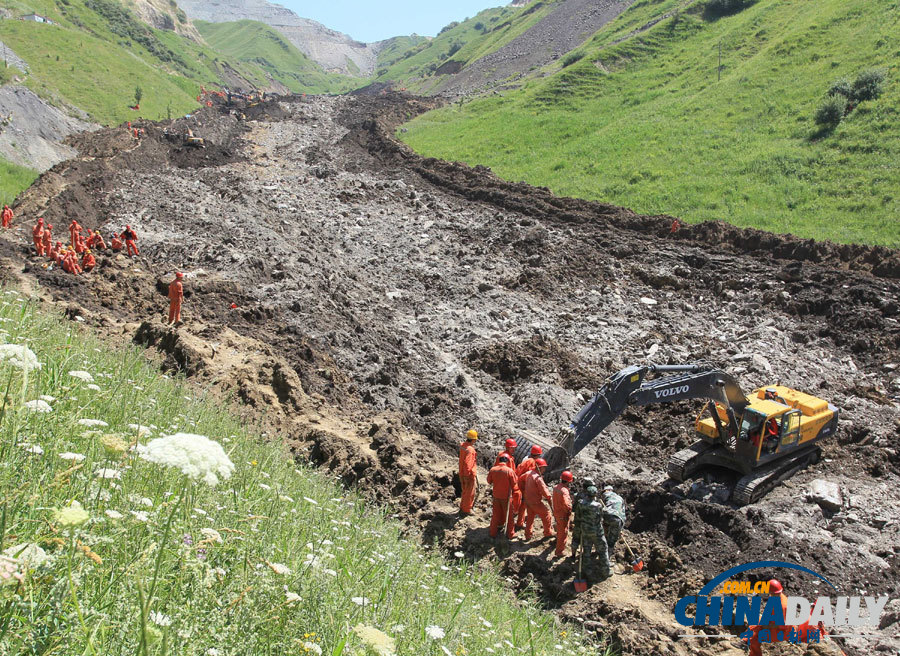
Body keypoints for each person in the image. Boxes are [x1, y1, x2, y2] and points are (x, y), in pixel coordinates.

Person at [572, 485, 610, 579]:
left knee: (586, 552)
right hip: (597, 532)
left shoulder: (581, 503)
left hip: (585, 531)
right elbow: (601, 517)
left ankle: (588, 573)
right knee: (603, 550)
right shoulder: (598, 506)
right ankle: (605, 571)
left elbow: (578, 517)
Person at [520, 459, 553, 541]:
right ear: (540, 468)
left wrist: (523, 490)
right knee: (547, 514)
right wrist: (551, 502)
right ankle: (548, 532)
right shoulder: (538, 479)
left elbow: (520, 479)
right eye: (544, 468)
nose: (545, 470)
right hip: (535, 502)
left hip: (528, 501)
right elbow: (546, 493)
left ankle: (528, 535)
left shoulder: (529, 473)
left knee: (530, 517)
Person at [486, 454, 518, 539]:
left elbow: (489, 481)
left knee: (495, 515)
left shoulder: (493, 469)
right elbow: (514, 484)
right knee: (509, 516)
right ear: (507, 461)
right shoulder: (509, 471)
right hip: (506, 498)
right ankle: (510, 534)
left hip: (496, 496)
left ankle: (492, 533)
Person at [514, 445, 543, 529]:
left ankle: (517, 519)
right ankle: (520, 523)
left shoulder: (526, 459)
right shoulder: (532, 462)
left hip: (518, 483)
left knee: (519, 503)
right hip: (523, 486)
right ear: (538, 455)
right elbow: (529, 476)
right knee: (523, 505)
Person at [552, 471, 574, 558]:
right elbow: (566, 504)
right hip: (562, 514)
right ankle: (559, 551)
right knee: (563, 533)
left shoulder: (555, 487)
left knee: (559, 527)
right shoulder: (564, 491)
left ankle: (557, 539)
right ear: (568, 481)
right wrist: (569, 511)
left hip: (556, 512)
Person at [601, 485, 626, 555]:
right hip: (617, 518)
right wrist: (620, 529)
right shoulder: (620, 498)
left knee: (605, 531)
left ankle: (603, 548)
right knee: (612, 540)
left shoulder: (605, 495)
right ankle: (607, 557)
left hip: (606, 515)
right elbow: (623, 514)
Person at [458, 429, 478, 515]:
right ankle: (466, 510)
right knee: (469, 493)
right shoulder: (470, 450)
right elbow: (468, 463)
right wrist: (468, 475)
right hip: (468, 474)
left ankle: (463, 506)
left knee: (465, 491)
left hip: (461, 472)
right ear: (473, 439)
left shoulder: (463, 446)